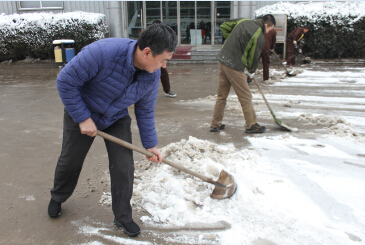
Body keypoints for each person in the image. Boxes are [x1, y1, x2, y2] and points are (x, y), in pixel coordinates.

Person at [48, 23, 178, 237]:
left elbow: (145, 111)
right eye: (163, 59)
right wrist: (83, 118)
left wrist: (151, 145)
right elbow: (65, 81)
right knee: (71, 159)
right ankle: (58, 197)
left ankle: (123, 216)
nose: (164, 66)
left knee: (123, 166)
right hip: (81, 110)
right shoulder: (102, 52)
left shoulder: (151, 75)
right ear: (147, 52)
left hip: (115, 117)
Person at [210, 14, 276, 134]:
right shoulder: (259, 35)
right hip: (234, 65)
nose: (268, 32)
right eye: (269, 29)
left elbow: (224, 25)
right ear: (266, 25)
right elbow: (253, 57)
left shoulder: (244, 20)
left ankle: (215, 123)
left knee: (221, 95)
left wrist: (232, 43)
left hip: (223, 58)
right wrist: (251, 71)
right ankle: (251, 125)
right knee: (245, 96)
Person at [150, 20, 177, 98]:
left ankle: (167, 90)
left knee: (164, 72)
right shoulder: (147, 34)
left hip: (160, 58)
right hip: (149, 59)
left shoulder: (163, 35)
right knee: (147, 74)